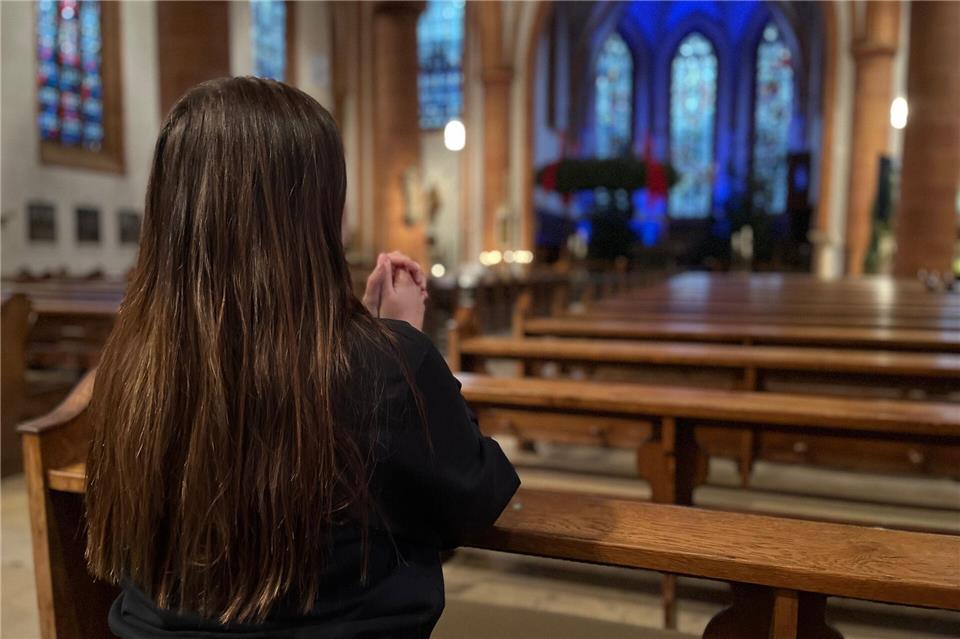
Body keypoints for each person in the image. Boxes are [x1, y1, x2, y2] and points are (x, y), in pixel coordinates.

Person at [84, 77, 520, 638]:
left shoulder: (131, 365)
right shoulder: (384, 367)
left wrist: (379, 340)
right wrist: (397, 340)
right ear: (314, 213)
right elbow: (473, 497)